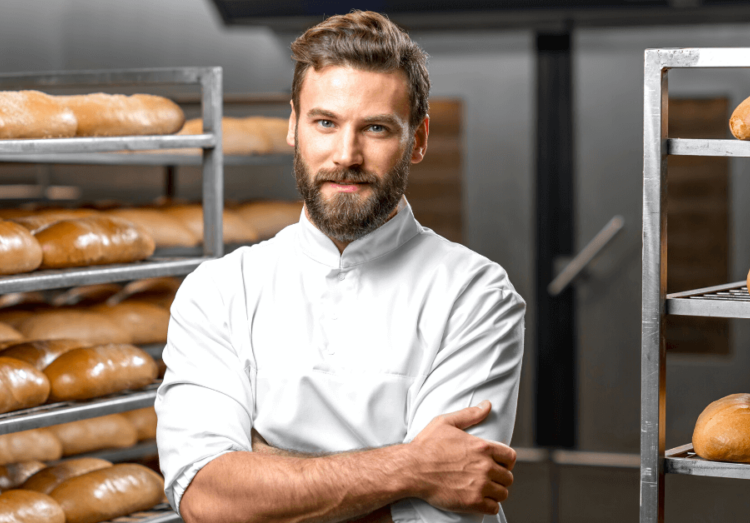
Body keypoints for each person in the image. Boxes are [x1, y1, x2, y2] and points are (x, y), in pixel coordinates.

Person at [156, 10, 525, 523]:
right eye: (325, 123)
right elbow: (208, 499)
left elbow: (445, 510)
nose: (346, 155)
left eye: (375, 128)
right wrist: (413, 467)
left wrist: (261, 467)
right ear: (294, 126)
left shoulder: (475, 295)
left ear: (417, 140)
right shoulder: (218, 291)